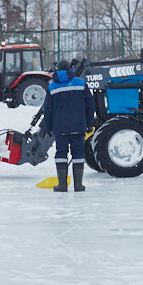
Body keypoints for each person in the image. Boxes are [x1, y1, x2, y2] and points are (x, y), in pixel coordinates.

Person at [41, 59, 94, 192]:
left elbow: (47, 110)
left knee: (61, 153)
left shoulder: (52, 87)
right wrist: (89, 123)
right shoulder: (81, 83)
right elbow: (90, 105)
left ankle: (62, 186)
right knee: (78, 153)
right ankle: (78, 185)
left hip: (60, 128)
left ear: (57, 70)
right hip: (78, 126)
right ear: (70, 69)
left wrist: (48, 128)